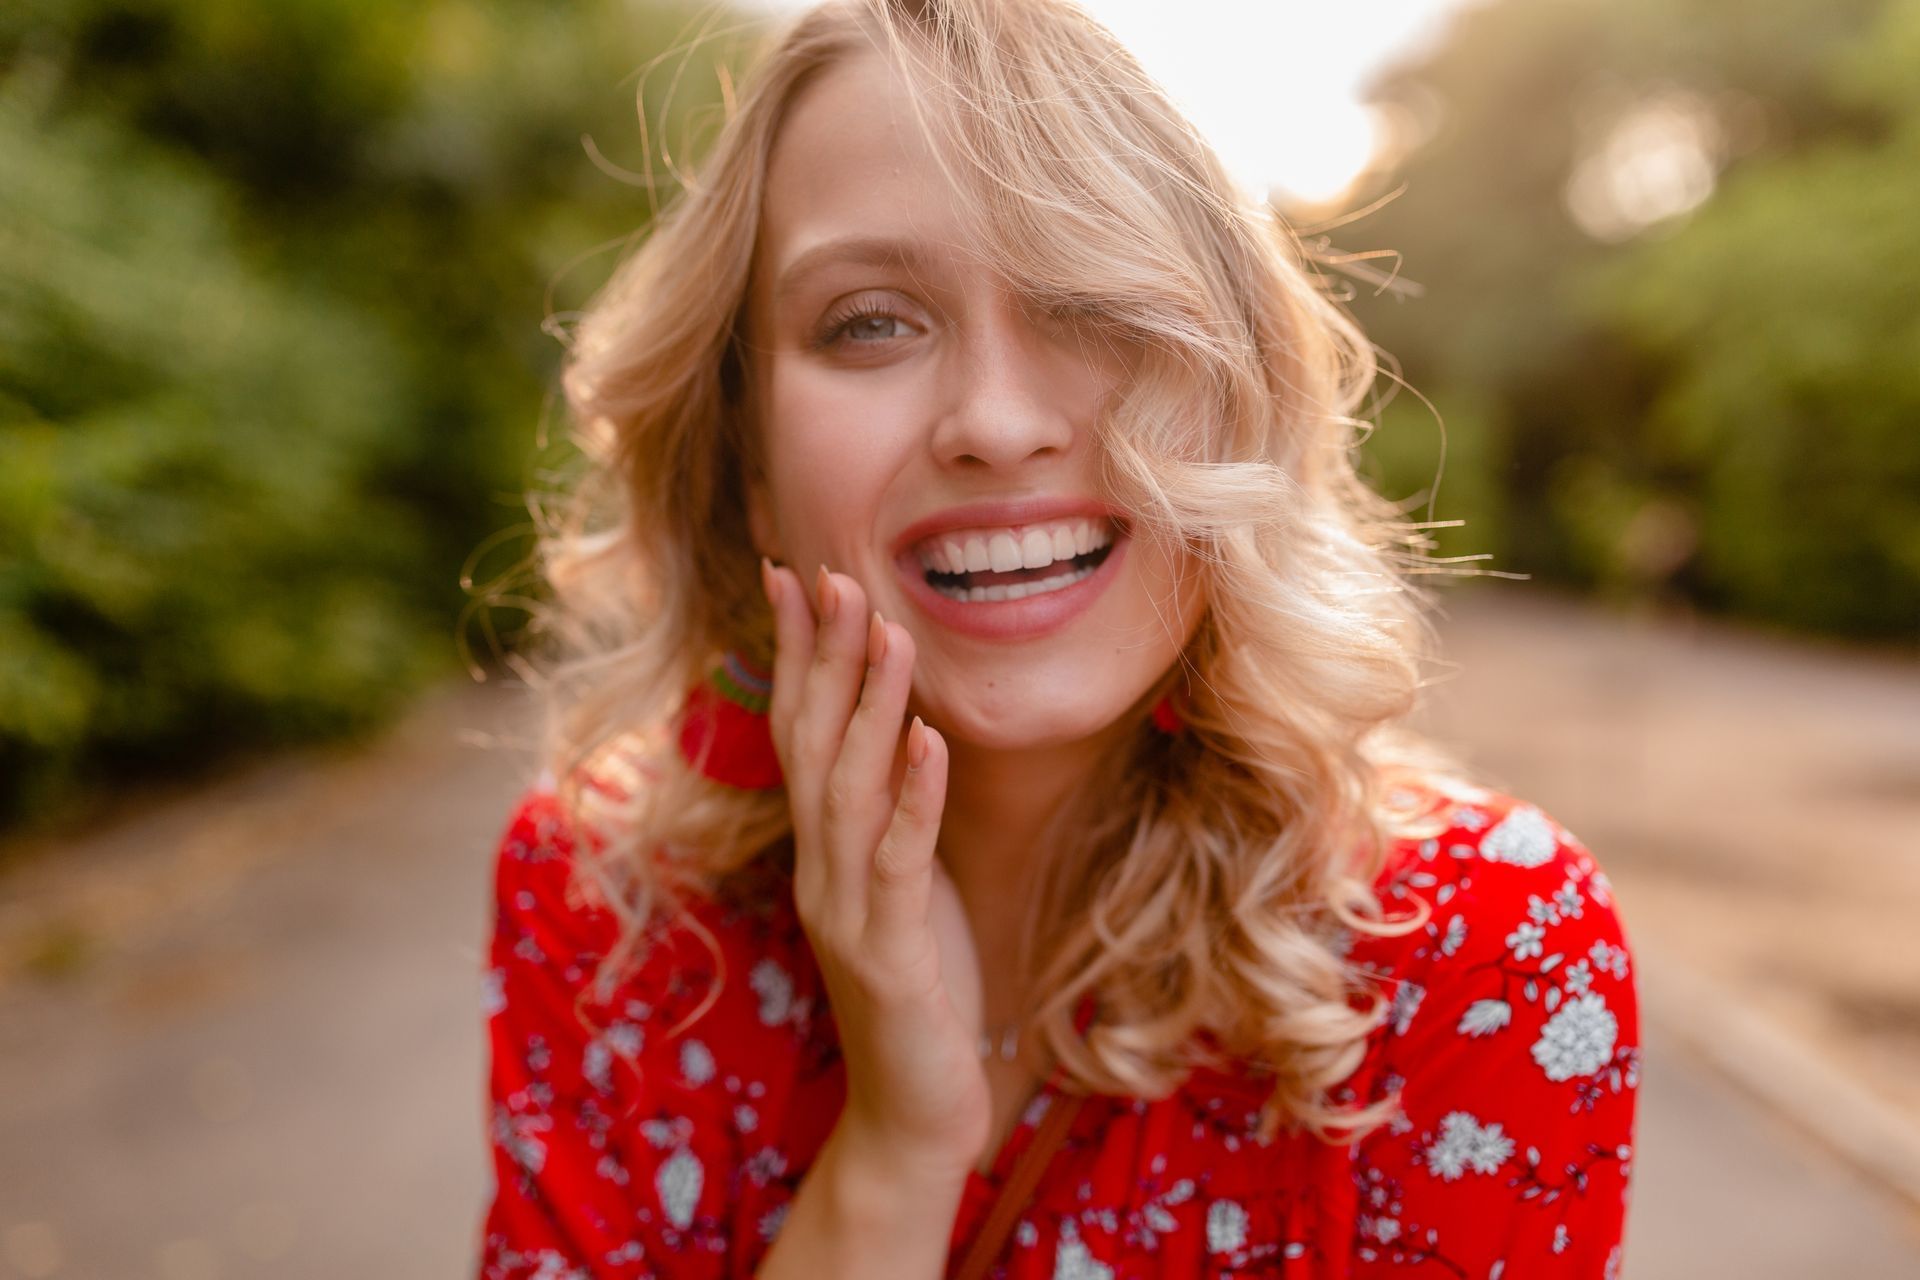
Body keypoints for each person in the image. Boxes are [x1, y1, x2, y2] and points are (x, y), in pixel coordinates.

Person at [475, 0, 1640, 1276]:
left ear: (1236, 394)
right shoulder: (611, 904)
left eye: (1088, 302)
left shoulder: (1480, 949)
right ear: (747, 456)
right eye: (871, 320)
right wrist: (895, 1149)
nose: (996, 420)